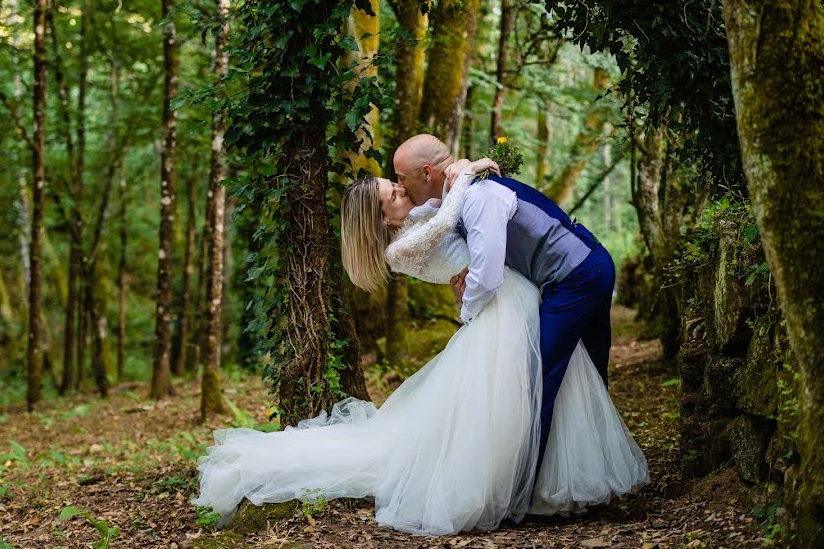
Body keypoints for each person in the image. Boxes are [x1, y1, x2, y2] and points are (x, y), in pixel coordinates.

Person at [192, 155, 647, 534]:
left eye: (394, 182)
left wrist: (472, 168)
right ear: (380, 216)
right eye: (390, 193)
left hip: (516, 298)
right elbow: (452, 216)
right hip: (495, 311)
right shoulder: (400, 248)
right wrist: (469, 172)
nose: (398, 188)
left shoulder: (417, 218)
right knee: (519, 396)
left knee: (547, 386)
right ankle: (514, 487)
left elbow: (456, 212)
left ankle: (544, 480)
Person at [393, 134, 622, 486]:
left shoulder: (478, 198)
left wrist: (467, 317)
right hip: (581, 270)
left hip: (578, 275)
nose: (399, 186)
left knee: (538, 378)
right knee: (588, 373)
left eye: (400, 178)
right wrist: (469, 165)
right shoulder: (461, 194)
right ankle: (595, 474)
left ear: (426, 173)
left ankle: (523, 487)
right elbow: (429, 217)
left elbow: (486, 276)